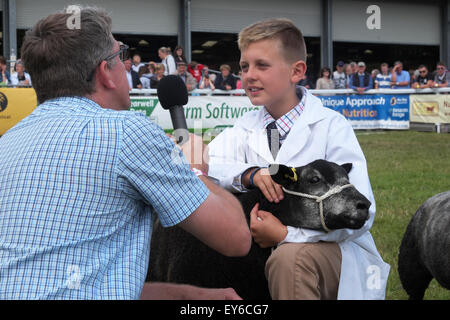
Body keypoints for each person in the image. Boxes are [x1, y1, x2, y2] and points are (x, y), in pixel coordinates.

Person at [0, 6, 251, 300]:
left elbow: (75, 280)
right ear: (106, 72)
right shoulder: (126, 131)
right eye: (121, 55)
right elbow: (236, 238)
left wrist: (186, 296)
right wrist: (194, 169)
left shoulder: (8, 142)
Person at [208, 18, 389, 300]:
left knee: (289, 260)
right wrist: (251, 174)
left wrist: (285, 235)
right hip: (259, 255)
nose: (249, 75)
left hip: (331, 253)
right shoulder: (244, 127)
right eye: (244, 67)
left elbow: (361, 213)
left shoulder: (332, 126)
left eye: (262, 65)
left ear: (297, 71)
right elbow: (209, 165)